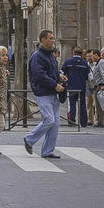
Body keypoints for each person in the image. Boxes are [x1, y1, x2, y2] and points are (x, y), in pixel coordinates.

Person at [23, 29, 65, 159]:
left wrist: (60, 76)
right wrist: (54, 84)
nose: (53, 40)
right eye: (51, 38)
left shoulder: (49, 55)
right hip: (43, 92)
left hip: (52, 92)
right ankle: (29, 139)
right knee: (49, 119)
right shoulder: (37, 56)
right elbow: (39, 75)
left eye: (53, 38)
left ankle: (47, 151)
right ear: (43, 40)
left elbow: (52, 71)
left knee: (55, 123)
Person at [62, 46, 91, 127]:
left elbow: (61, 73)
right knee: (82, 105)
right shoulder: (85, 63)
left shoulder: (68, 62)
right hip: (82, 87)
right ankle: (83, 122)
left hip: (71, 86)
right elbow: (89, 76)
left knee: (72, 104)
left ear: (73, 52)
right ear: (81, 54)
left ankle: (72, 121)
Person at [91, 47, 104, 128]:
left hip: (101, 85)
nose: (92, 57)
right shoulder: (100, 62)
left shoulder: (101, 62)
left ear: (96, 55)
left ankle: (101, 122)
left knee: (100, 105)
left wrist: (103, 84)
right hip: (101, 84)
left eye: (92, 56)